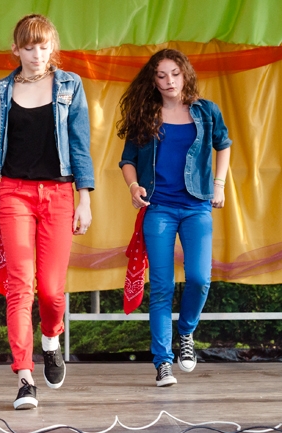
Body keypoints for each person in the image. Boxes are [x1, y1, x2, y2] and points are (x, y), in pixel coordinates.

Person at [0, 14, 94, 409]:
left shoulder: (70, 86)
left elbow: (80, 145)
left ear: (52, 47)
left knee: (51, 291)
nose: (37, 54)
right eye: (29, 47)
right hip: (13, 194)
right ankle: (24, 377)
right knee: (20, 285)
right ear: (16, 49)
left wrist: (85, 197)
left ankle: (51, 338)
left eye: (43, 46)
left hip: (58, 194)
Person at [117, 49, 231, 387]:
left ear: (185, 75)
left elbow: (223, 144)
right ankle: (163, 361)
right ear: (153, 81)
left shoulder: (206, 111)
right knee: (162, 287)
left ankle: (186, 332)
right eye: (162, 75)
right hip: (159, 208)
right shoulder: (145, 115)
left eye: (175, 74)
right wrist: (133, 186)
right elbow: (127, 160)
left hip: (197, 205)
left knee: (199, 278)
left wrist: (219, 184)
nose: (169, 81)